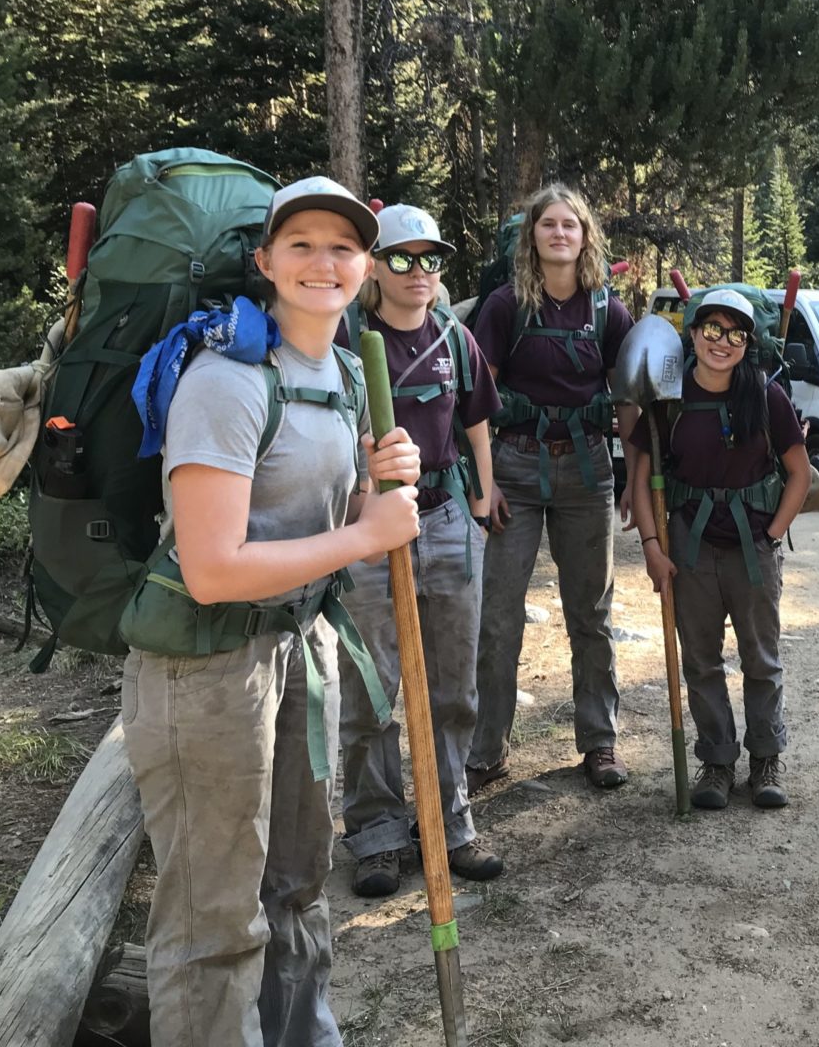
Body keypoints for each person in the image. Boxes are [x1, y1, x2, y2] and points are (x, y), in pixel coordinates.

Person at [121, 176, 422, 1046]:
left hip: (299, 648)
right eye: (302, 245)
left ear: (365, 267)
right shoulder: (227, 379)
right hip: (206, 671)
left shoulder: (344, 371)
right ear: (264, 260)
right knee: (214, 919)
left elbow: (338, 510)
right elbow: (214, 569)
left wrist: (381, 474)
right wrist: (367, 535)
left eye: (343, 247)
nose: (323, 262)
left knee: (295, 883)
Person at [335, 203, 504, 897]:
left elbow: (478, 420)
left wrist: (485, 496)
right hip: (370, 529)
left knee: (454, 683)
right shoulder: (345, 339)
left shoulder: (454, 339)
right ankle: (375, 833)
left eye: (430, 257)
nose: (418, 272)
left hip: (447, 520)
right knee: (373, 687)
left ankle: (447, 821)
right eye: (402, 257)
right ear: (373, 265)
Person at [468, 185, 639, 792]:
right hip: (513, 468)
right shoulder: (503, 306)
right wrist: (483, 483)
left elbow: (629, 398)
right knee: (498, 620)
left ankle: (600, 743)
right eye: (549, 224)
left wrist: (631, 477)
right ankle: (486, 749)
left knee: (591, 615)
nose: (560, 234)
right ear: (532, 236)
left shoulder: (607, 312)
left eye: (571, 224)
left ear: (585, 235)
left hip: (588, 472)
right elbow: (474, 400)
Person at [629, 289, 809, 808]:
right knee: (702, 660)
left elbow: (799, 473)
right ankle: (716, 761)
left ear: (747, 342)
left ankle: (766, 758)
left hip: (753, 547)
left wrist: (773, 535)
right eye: (711, 330)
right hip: (690, 546)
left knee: (761, 657)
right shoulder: (670, 397)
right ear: (692, 334)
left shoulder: (766, 396)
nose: (721, 342)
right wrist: (650, 546)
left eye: (734, 333)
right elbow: (641, 479)